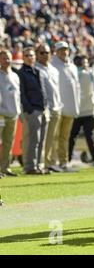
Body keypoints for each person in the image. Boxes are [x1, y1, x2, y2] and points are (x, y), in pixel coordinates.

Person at [68, 55, 94, 167]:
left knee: (73, 136)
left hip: (80, 110)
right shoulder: (88, 74)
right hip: (83, 110)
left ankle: (67, 159)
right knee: (89, 136)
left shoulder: (73, 73)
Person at [18, 47, 48, 175]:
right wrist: (29, 109)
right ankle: (30, 166)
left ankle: (39, 165)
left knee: (41, 140)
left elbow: (43, 91)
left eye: (32, 55)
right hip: (32, 110)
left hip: (42, 109)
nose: (30, 58)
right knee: (33, 140)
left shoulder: (38, 71)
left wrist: (46, 106)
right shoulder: (21, 73)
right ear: (23, 58)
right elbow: (22, 94)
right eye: (27, 56)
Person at [51, 41, 80, 171]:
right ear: (56, 52)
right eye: (61, 50)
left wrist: (76, 106)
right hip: (57, 107)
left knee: (64, 137)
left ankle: (63, 162)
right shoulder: (52, 66)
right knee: (53, 136)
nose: (64, 52)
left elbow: (77, 88)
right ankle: (52, 162)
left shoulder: (72, 66)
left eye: (66, 49)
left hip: (70, 107)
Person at [35, 44, 63, 172]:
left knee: (53, 138)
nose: (45, 55)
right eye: (42, 53)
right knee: (42, 138)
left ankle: (50, 162)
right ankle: (41, 163)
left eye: (47, 52)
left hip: (57, 107)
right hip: (45, 108)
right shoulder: (36, 69)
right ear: (37, 54)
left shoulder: (54, 69)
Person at [0, 49, 20, 177]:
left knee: (8, 143)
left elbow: (17, 96)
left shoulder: (15, 76)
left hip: (13, 114)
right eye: (3, 58)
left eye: (8, 58)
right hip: (1, 114)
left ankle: (5, 168)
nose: (6, 60)